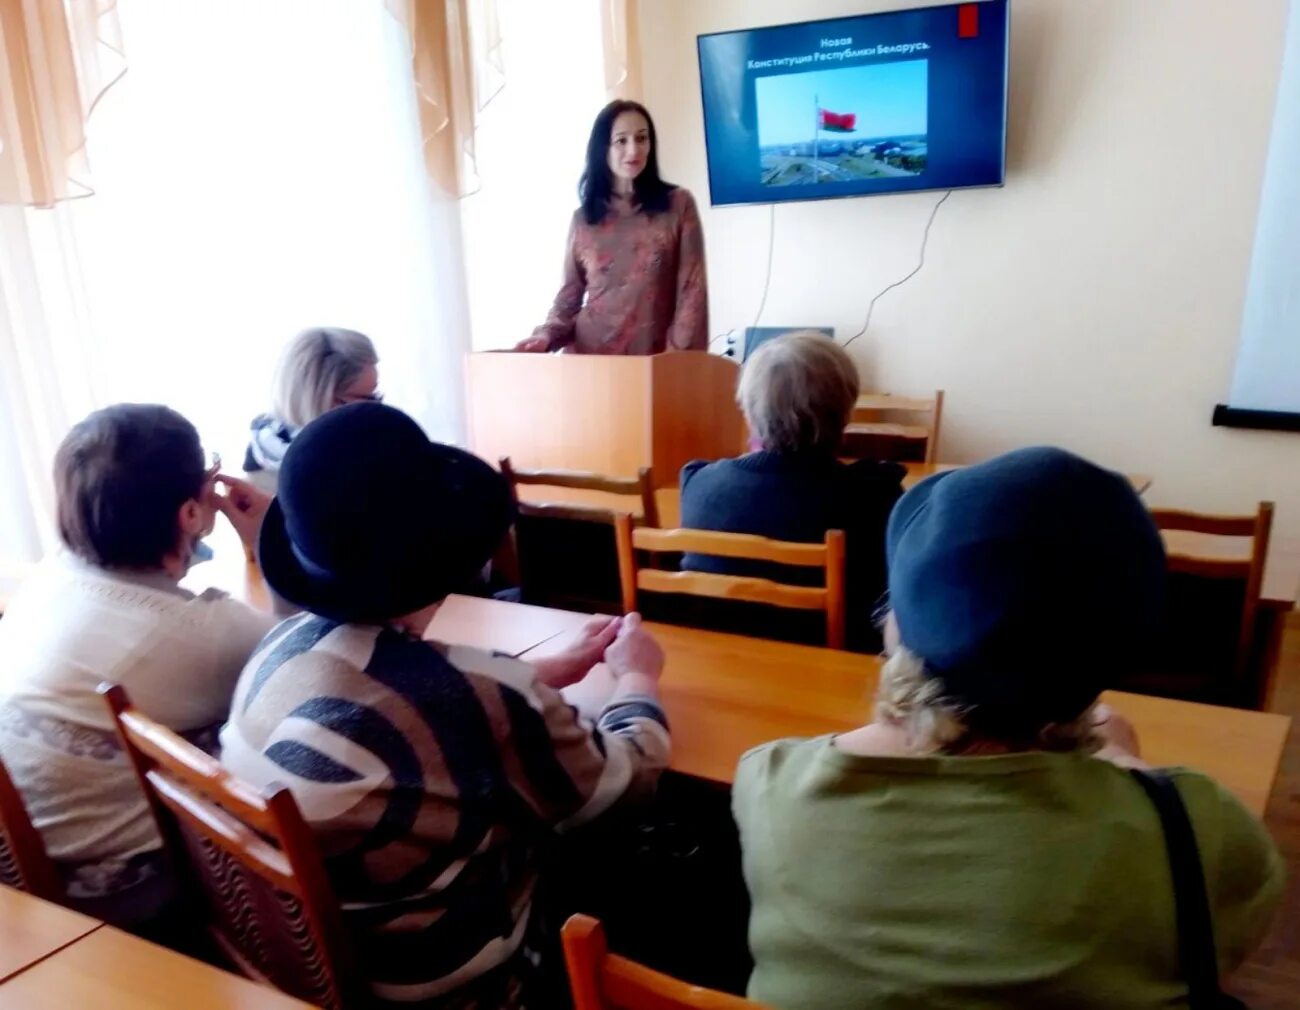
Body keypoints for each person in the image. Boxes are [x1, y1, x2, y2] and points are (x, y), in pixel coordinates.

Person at [733, 447, 1284, 1010]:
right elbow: (1225, 942)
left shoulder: (772, 780)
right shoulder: (1199, 828)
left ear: (899, 628)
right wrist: (1129, 766)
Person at [220, 402, 671, 1008]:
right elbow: (624, 783)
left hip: (298, 968)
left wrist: (533, 675)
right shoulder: (477, 696)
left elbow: (398, 704)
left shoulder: (278, 647)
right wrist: (637, 679)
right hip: (451, 985)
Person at [0, 404, 276, 927]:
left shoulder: (49, 579)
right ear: (191, 514)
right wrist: (266, 537)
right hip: (124, 906)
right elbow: (303, 657)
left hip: (22, 879)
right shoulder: (202, 636)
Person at [678, 332, 904, 651]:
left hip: (719, 662)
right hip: (835, 673)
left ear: (748, 410)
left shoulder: (697, 483)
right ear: (844, 412)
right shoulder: (875, 493)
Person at [516, 100, 708, 355]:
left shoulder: (678, 206)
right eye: (621, 140)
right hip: (591, 361)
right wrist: (545, 336)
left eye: (641, 139)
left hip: (656, 361)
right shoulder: (584, 219)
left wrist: (675, 363)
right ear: (603, 148)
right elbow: (568, 299)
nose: (633, 150)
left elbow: (692, 294)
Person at [243, 326, 380, 491]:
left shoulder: (379, 447)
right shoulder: (257, 483)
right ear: (322, 399)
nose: (379, 409)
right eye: (369, 399)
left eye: (376, 395)